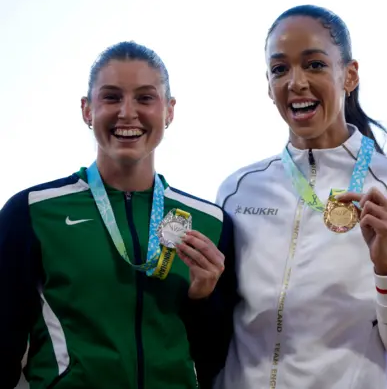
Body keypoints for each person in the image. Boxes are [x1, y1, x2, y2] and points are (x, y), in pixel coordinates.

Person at [214, 4, 387, 389]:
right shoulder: (238, 190)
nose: (296, 82)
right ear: (268, 86)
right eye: (280, 69)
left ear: (349, 75)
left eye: (314, 65)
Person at [0, 41, 238, 389]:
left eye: (145, 98)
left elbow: (216, 359)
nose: (127, 113)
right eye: (111, 97)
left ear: (169, 110)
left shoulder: (211, 223)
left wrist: (203, 299)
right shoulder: (32, 212)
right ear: (87, 109)